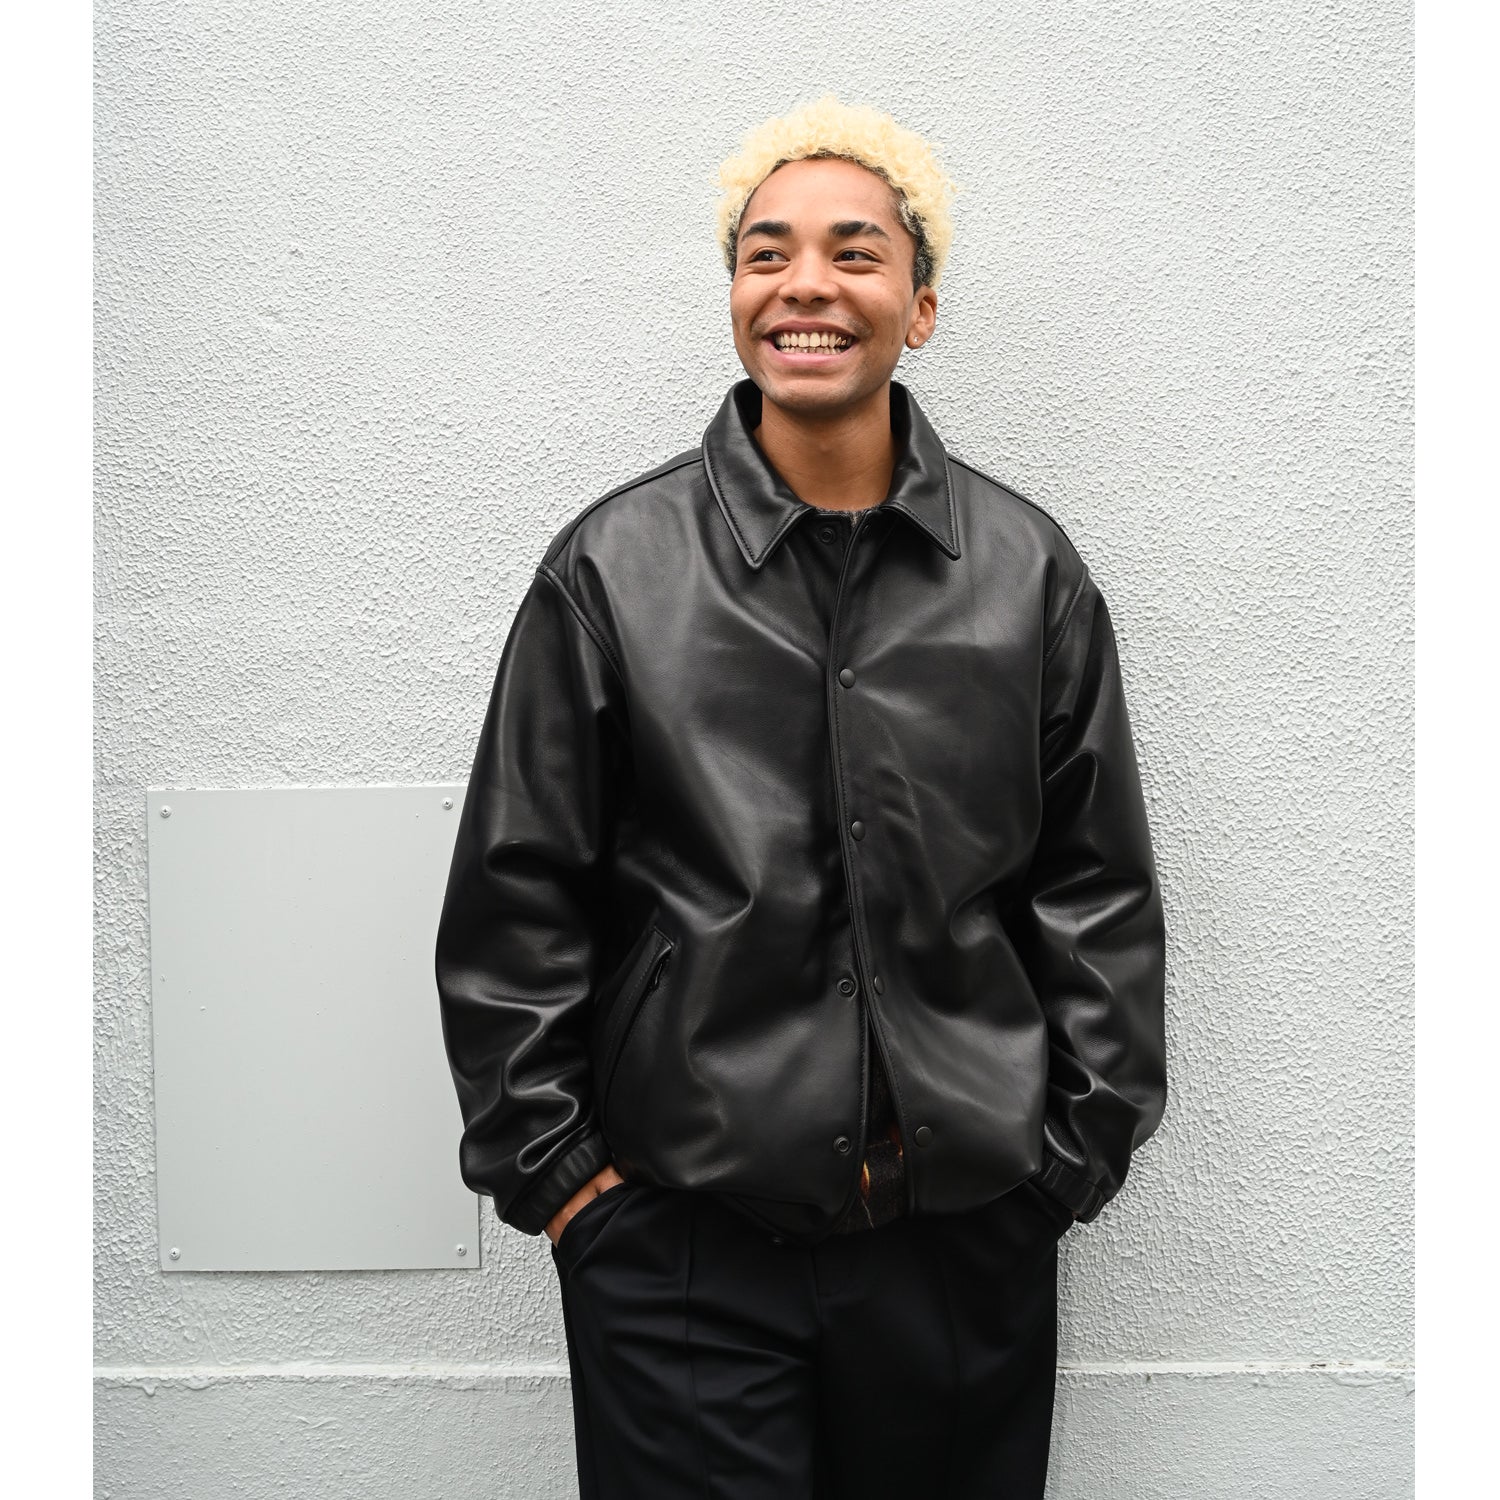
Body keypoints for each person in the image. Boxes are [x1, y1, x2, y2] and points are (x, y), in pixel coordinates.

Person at [434, 93, 1167, 1500]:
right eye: (766, 254)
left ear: (921, 307)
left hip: (960, 1247)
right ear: (735, 301)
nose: (806, 284)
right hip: (680, 1253)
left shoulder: (1026, 573)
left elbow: (1097, 890)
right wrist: (565, 1184)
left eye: (854, 251)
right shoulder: (613, 570)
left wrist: (1066, 1165)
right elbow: (515, 894)